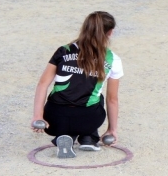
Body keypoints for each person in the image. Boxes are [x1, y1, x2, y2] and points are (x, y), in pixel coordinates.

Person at [31, 11, 123, 156]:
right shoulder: (113, 59)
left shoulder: (63, 51)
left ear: (85, 27)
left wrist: (38, 116)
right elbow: (113, 100)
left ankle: (66, 136)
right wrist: (112, 130)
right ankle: (89, 138)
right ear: (110, 33)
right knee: (98, 97)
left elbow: (43, 84)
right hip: (88, 120)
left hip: (53, 120)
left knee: (70, 98)